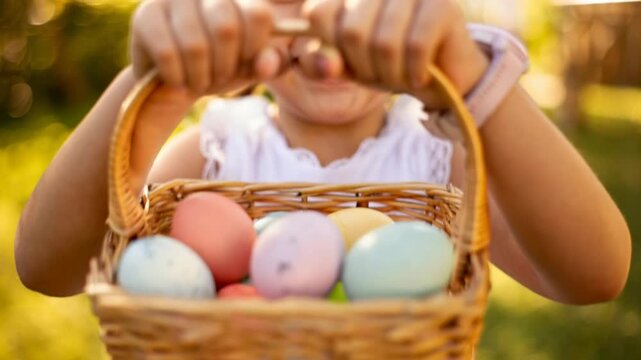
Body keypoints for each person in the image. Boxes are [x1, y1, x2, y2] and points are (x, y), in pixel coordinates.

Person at [14, 0, 630, 306]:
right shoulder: (216, 152)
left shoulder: (444, 157)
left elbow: (593, 277)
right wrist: (153, 85)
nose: (329, 17)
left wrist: (470, 81)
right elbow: (46, 268)